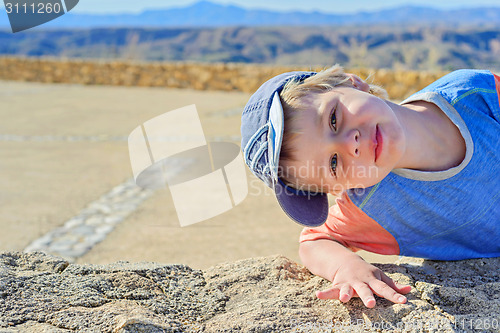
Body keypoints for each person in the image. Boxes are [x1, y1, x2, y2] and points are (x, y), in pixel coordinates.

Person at [240, 65, 500, 308]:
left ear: (351, 82)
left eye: (333, 119)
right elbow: (314, 240)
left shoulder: (477, 95)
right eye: (333, 163)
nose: (349, 144)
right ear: (338, 189)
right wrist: (345, 267)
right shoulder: (371, 206)